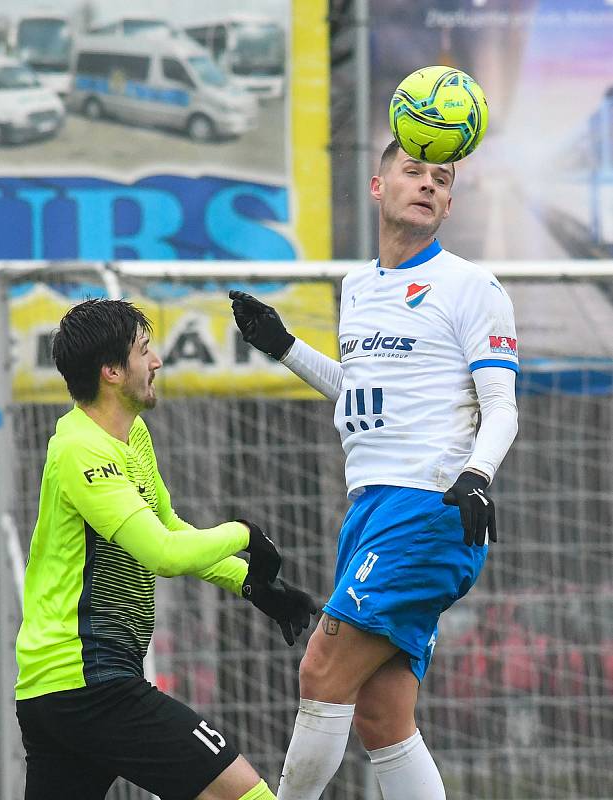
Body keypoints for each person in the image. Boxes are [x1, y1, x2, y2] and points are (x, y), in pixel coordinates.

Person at [229, 139, 519, 800]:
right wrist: (284, 347)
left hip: (429, 508)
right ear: (376, 186)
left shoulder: (472, 287)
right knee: (380, 717)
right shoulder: (357, 288)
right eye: (411, 171)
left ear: (447, 202)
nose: (425, 184)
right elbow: (362, 395)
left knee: (321, 671)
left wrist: (477, 475)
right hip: (370, 512)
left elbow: (501, 406)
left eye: (439, 179)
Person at [14, 298, 317, 800]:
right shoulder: (82, 450)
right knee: (242, 794)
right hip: (91, 682)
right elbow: (164, 554)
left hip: (60, 689)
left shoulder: (131, 433)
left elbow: (169, 527)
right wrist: (245, 533)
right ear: (111, 371)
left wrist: (250, 582)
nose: (156, 362)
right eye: (144, 351)